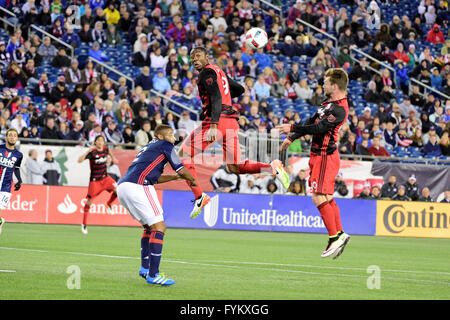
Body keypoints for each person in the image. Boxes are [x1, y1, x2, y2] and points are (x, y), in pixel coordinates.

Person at [178, 47, 289, 219]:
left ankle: (200, 196)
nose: (194, 60)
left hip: (216, 121)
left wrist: (213, 124)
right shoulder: (218, 71)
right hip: (231, 122)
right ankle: (272, 168)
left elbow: (215, 95)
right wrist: (226, 96)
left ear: (208, 56)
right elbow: (239, 89)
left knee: (182, 156)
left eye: (198, 56)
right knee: (234, 167)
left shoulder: (206, 73)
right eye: (192, 58)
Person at [277, 68, 351, 259]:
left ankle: (334, 237)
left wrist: (292, 127)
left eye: (325, 83)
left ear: (334, 86)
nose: (322, 85)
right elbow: (312, 120)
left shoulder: (340, 109)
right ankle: (339, 234)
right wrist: (292, 137)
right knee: (325, 196)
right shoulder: (328, 103)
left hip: (325, 156)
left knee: (318, 197)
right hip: (320, 155)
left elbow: (319, 127)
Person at [117, 124, 197, 286]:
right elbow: (180, 168)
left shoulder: (150, 148)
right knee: (159, 227)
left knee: (149, 227)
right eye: (170, 135)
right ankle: (154, 274)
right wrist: (193, 181)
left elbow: (155, 178)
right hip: (139, 186)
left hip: (123, 187)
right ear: (161, 136)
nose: (173, 138)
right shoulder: (165, 145)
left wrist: (174, 178)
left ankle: (145, 269)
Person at [77, 135, 119, 234]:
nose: (100, 142)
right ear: (95, 142)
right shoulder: (92, 152)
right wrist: (87, 151)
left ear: (104, 143)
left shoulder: (105, 149)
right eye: (98, 140)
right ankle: (84, 224)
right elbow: (79, 161)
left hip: (105, 178)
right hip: (95, 181)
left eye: (102, 141)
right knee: (89, 202)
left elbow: (109, 152)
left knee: (118, 191)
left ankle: (108, 204)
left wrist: (113, 158)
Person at [0, 129, 23, 235]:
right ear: (6, 137)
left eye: (14, 135)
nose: (12, 137)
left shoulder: (18, 155)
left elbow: (17, 168)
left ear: (17, 138)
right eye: (10, 135)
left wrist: (19, 180)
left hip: (6, 186)